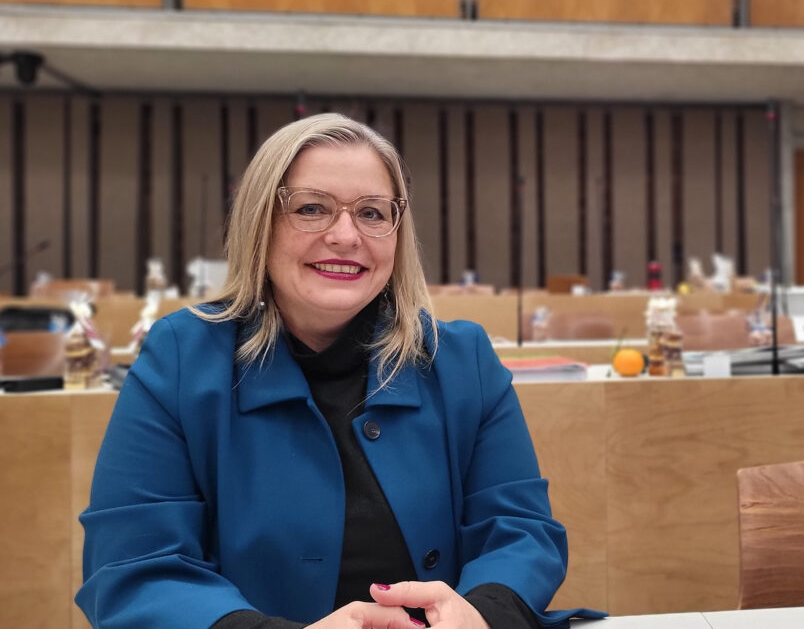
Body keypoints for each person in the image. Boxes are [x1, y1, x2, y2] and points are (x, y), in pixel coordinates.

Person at [77, 114, 603, 628]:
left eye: (373, 213)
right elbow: (134, 567)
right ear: (261, 222)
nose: (347, 236)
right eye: (312, 208)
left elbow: (521, 531)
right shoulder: (179, 359)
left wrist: (482, 615)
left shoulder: (461, 359)